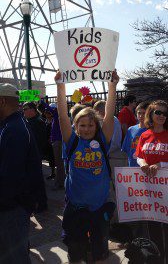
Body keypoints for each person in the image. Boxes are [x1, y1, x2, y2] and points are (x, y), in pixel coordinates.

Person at [55, 69, 119, 263]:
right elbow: (62, 116)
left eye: (91, 125)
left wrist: (112, 86)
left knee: (99, 252)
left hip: (99, 207)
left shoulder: (102, 139)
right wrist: (60, 85)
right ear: (75, 127)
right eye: (82, 125)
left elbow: (109, 114)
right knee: (76, 252)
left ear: (96, 126)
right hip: (76, 206)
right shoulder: (72, 141)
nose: (87, 128)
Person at [0, 83, 45, 264]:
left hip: (12, 208)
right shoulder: (13, 125)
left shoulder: (14, 130)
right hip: (13, 206)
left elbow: (11, 177)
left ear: (2, 101)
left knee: (14, 257)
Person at [136, 100, 168, 264]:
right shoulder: (144, 135)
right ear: (151, 114)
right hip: (150, 190)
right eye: (158, 112)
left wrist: (160, 165)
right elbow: (139, 156)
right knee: (153, 227)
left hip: (167, 190)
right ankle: (158, 258)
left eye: (165, 113)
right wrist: (143, 164)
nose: (162, 116)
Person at [122, 101, 149, 167]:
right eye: (139, 113)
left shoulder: (153, 130)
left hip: (147, 168)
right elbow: (127, 151)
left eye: (144, 113)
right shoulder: (130, 129)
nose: (141, 116)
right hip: (132, 168)